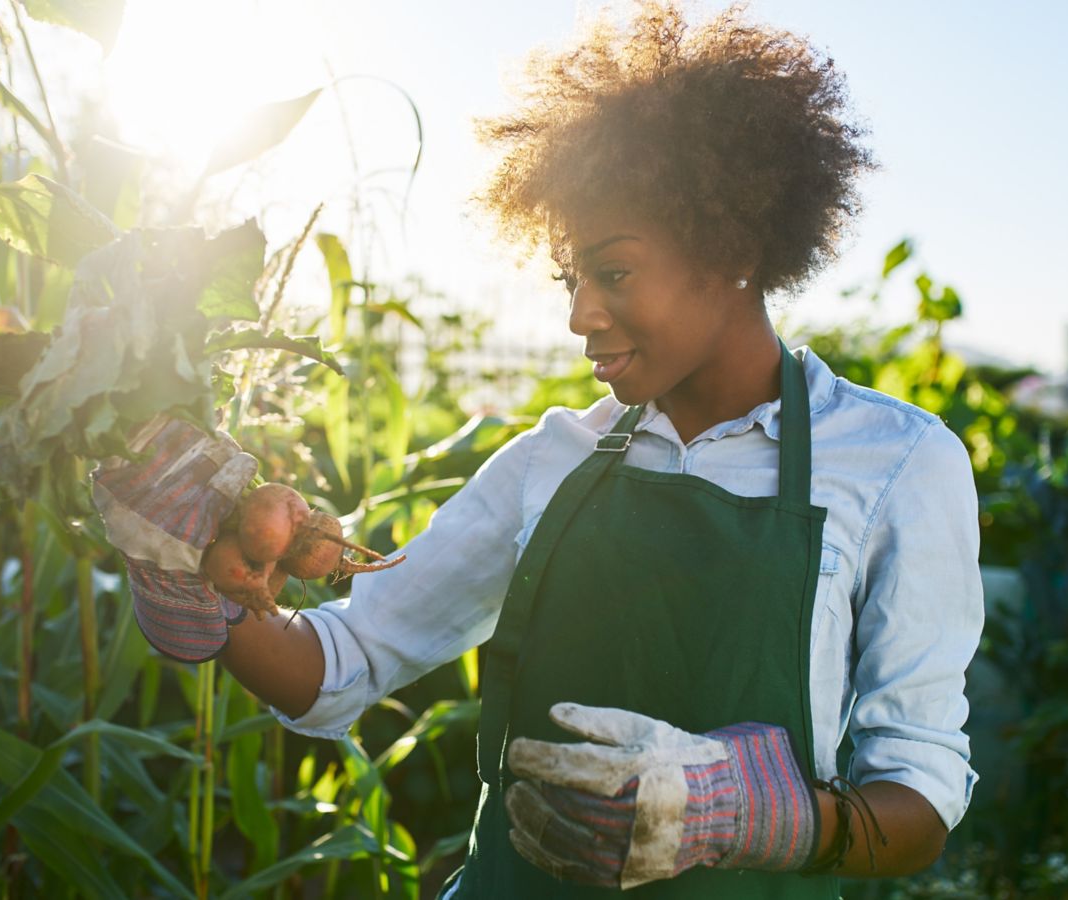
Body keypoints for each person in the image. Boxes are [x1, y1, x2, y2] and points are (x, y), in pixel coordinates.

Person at [91, 2, 984, 896]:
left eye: (616, 273)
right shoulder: (552, 460)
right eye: (571, 278)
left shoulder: (897, 463)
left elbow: (918, 807)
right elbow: (344, 664)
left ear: (735, 247)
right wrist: (195, 574)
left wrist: (758, 815)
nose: (579, 315)